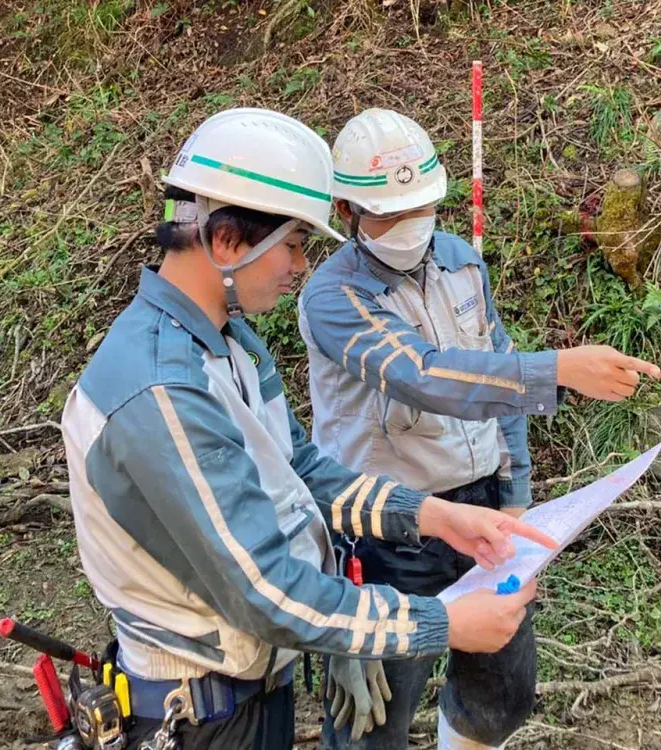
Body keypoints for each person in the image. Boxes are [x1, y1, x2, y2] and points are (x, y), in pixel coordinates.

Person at [60, 108, 557, 750]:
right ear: (227, 242)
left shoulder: (229, 345)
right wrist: (440, 622)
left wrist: (432, 515)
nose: (300, 263)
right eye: (293, 243)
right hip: (197, 716)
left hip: (254, 684)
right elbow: (264, 592)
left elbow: (304, 472)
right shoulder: (164, 390)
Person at [297, 109, 661, 750]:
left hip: (483, 512)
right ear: (347, 210)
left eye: (421, 208)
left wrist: (518, 500)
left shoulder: (463, 263)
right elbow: (423, 374)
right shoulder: (333, 297)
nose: (410, 227)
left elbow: (495, 375)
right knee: (374, 717)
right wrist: (559, 370)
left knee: (500, 695)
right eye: (389, 213)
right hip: (389, 528)